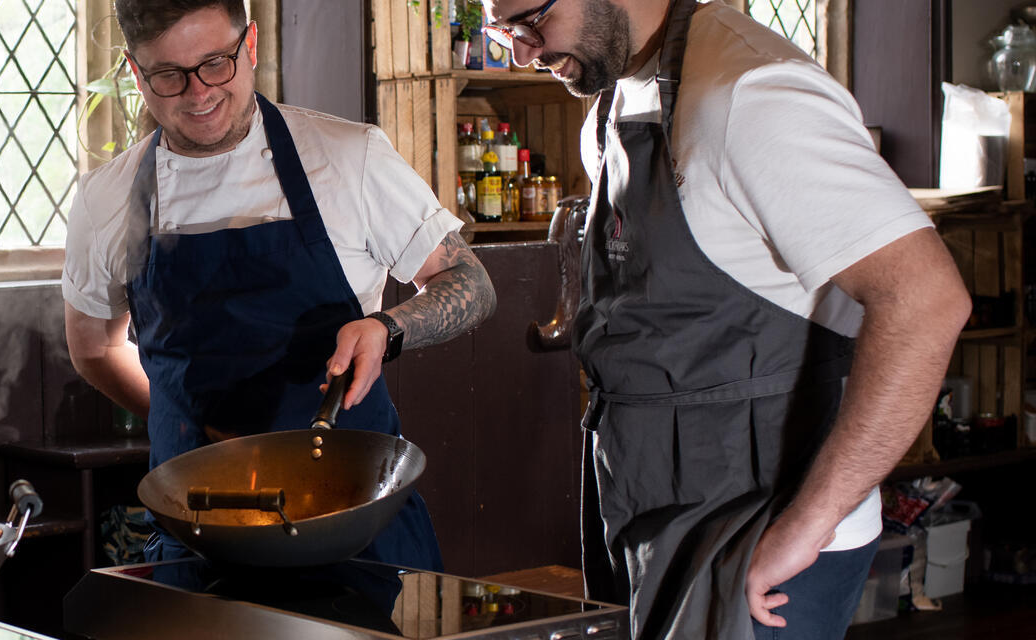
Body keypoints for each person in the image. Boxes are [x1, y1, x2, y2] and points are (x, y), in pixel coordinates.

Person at [479, 0, 969, 637]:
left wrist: (808, 525)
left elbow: (926, 301)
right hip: (649, 507)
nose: (522, 51)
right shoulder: (616, 98)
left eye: (530, 21)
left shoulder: (753, 94)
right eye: (503, 31)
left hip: (762, 528)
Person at [61, 0, 496, 571]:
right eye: (169, 75)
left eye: (217, 62)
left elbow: (470, 282)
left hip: (356, 529)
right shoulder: (106, 199)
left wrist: (387, 327)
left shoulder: (348, 156)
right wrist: (186, 424)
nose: (199, 93)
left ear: (252, 45)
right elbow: (94, 348)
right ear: (136, 74)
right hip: (199, 530)